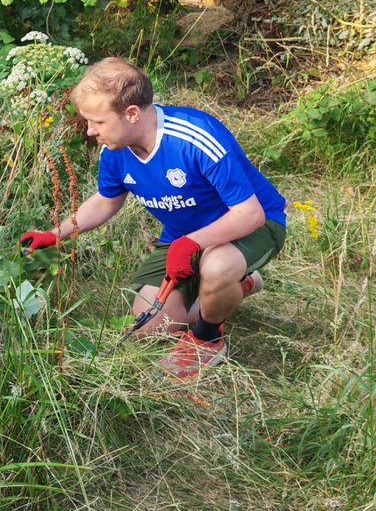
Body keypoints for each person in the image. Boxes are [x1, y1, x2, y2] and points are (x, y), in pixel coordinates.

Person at [20, 57, 286, 379]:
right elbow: (106, 201)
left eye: (98, 122)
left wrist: (192, 242)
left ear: (131, 113)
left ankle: (207, 340)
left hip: (252, 225)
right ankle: (236, 287)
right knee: (151, 325)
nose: (90, 132)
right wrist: (55, 234)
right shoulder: (115, 152)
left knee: (216, 265)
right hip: (183, 237)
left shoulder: (194, 137)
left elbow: (250, 213)